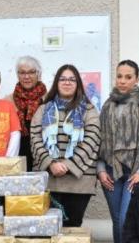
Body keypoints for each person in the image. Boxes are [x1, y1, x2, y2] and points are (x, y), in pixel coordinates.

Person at [97, 59, 139, 243]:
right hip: (111, 171)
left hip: (135, 172)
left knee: (126, 218)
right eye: (119, 76)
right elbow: (100, 140)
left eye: (128, 77)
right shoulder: (108, 105)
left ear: (137, 79)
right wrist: (100, 169)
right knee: (117, 219)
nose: (122, 81)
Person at [30, 64, 101, 227]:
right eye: (62, 79)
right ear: (56, 83)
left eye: (72, 79)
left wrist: (67, 165)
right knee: (48, 229)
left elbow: (92, 140)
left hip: (79, 183)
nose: (67, 82)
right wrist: (51, 163)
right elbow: (35, 138)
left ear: (78, 84)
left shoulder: (89, 110)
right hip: (50, 180)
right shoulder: (42, 110)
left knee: (72, 229)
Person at [5, 56, 47, 169]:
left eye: (31, 72)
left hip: (44, 157)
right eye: (22, 73)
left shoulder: (49, 99)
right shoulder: (7, 101)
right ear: (17, 75)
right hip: (17, 158)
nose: (26, 76)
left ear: (39, 74)